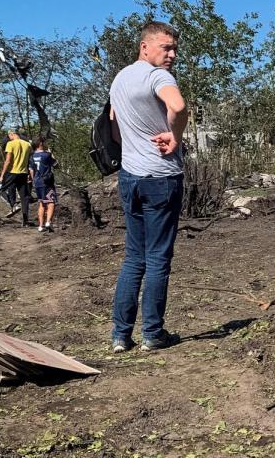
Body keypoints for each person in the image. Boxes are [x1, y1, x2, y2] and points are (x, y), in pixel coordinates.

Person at [109, 21, 188, 353]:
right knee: (157, 258)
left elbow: (113, 127)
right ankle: (152, 334)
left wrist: (134, 144)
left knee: (133, 258)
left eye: (174, 49)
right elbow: (179, 106)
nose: (170, 55)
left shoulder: (120, 79)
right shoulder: (159, 77)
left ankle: (120, 335)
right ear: (145, 46)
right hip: (161, 177)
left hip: (130, 177)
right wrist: (176, 136)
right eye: (164, 47)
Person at [0, 128, 33, 225]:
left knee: (0, 189)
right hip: (23, 173)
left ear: (12, 134)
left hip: (12, 172)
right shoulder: (28, 144)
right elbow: (29, 160)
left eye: (9, 136)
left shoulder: (10, 144)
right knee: (24, 197)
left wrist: (2, 175)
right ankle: (25, 220)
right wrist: (30, 173)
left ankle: (12, 204)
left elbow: (8, 161)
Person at [29, 137, 58, 233]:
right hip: (47, 182)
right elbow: (56, 165)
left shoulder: (32, 156)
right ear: (40, 143)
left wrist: (34, 181)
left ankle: (40, 226)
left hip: (37, 182)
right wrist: (51, 153)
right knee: (51, 202)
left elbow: (31, 170)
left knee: (41, 203)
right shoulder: (46, 155)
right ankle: (48, 222)